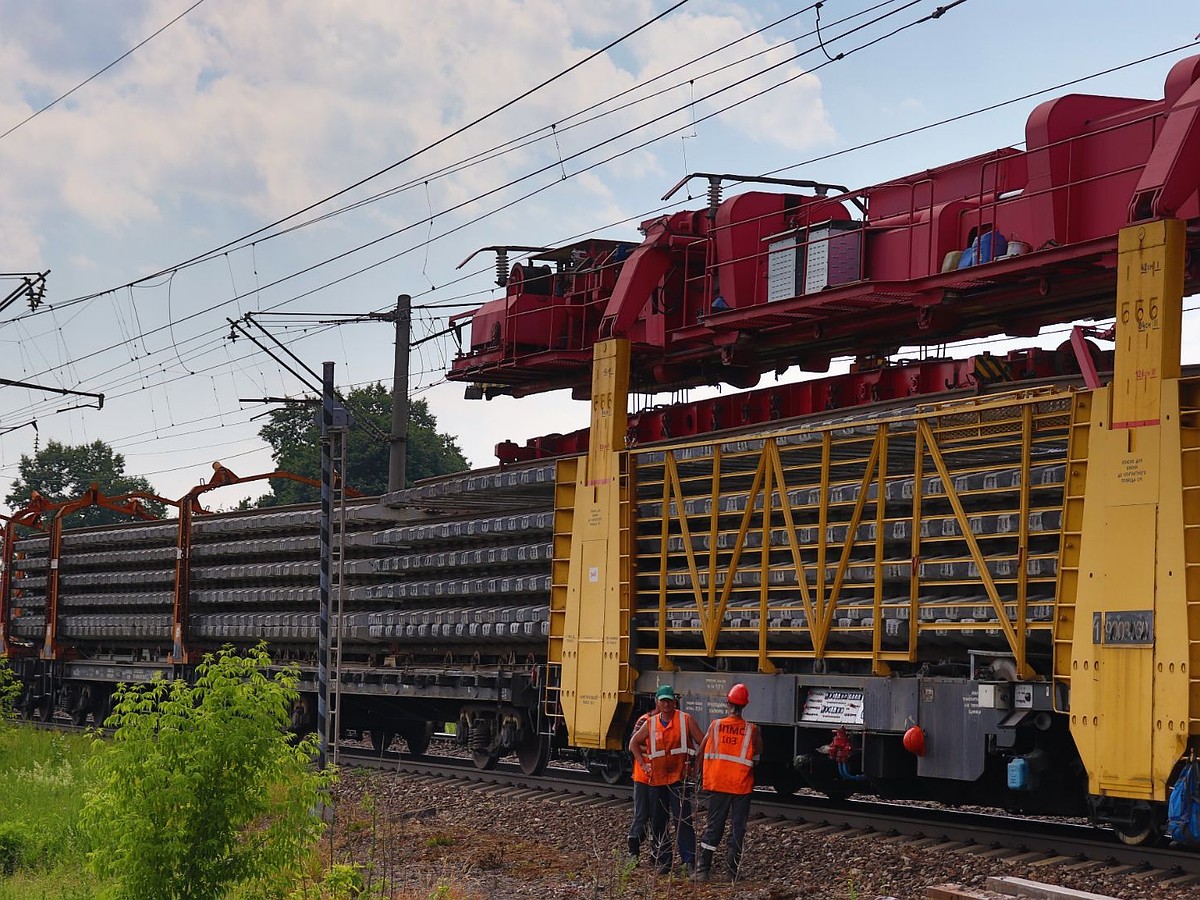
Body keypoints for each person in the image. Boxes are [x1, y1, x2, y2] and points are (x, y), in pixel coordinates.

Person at [628, 684, 704, 874]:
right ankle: (664, 860)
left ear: (674, 701)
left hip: (679, 779)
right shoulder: (650, 723)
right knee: (658, 822)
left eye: (669, 700)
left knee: (683, 821)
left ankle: (689, 861)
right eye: (663, 700)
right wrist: (644, 765)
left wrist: (696, 767)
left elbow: (703, 742)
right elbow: (633, 744)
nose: (666, 704)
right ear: (657, 702)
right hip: (657, 781)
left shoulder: (685, 720)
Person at [693, 683, 762, 882]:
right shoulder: (752, 730)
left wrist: (696, 775)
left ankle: (703, 869)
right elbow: (757, 751)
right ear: (745, 706)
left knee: (714, 826)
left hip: (719, 784)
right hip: (741, 786)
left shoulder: (715, 726)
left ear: (728, 703)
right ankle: (732, 872)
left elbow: (701, 750)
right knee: (737, 828)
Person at [625, 708, 653, 860]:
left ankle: (653, 853)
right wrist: (652, 750)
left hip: (658, 777)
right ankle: (633, 849)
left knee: (656, 816)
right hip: (643, 776)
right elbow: (633, 744)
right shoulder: (644, 721)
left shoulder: (668, 721)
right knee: (642, 815)